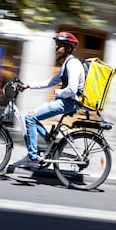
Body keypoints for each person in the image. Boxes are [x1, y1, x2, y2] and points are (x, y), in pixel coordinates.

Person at [13, 32, 85, 169]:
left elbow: (72, 89)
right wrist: (29, 85)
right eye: (56, 45)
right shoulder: (66, 64)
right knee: (33, 118)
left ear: (68, 48)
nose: (56, 48)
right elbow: (50, 82)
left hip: (69, 102)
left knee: (30, 117)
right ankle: (51, 145)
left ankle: (32, 157)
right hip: (65, 101)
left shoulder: (73, 64)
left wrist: (58, 93)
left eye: (59, 46)